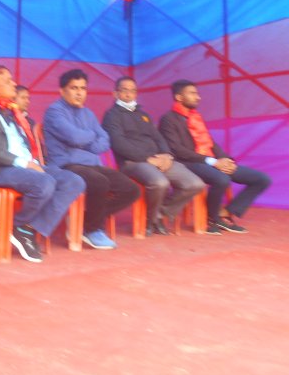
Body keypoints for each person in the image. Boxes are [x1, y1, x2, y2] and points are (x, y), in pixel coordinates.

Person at [0, 66, 85, 261]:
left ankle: (26, 227)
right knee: (44, 182)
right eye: (7, 81)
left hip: (28, 165)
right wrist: (23, 162)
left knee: (74, 181)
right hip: (0, 168)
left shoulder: (13, 112)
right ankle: (20, 226)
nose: (13, 83)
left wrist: (32, 161)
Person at [43, 69, 140, 249]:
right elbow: (75, 137)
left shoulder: (88, 113)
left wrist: (86, 139)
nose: (79, 93)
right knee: (99, 182)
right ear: (62, 91)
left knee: (131, 189)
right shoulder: (55, 111)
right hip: (66, 165)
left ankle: (85, 219)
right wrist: (91, 136)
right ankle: (92, 230)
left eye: (83, 88)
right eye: (74, 88)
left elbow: (104, 141)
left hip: (91, 164)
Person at [159, 79, 272, 234]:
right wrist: (213, 162)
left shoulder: (195, 117)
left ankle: (226, 212)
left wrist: (227, 160)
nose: (198, 97)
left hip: (210, 162)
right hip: (188, 163)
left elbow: (210, 143)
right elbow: (176, 150)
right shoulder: (168, 119)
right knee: (221, 179)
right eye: (192, 93)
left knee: (262, 179)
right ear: (179, 97)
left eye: (197, 93)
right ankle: (213, 219)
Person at [102, 76, 204, 235]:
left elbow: (158, 137)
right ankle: (151, 221)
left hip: (158, 159)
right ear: (115, 93)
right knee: (160, 182)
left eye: (133, 91)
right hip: (132, 162)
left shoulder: (143, 114)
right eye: (124, 90)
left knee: (195, 184)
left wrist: (167, 155)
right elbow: (118, 143)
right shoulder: (111, 116)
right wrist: (147, 159)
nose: (129, 94)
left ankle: (158, 215)